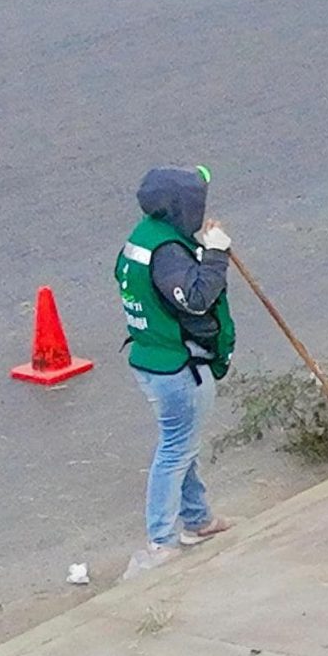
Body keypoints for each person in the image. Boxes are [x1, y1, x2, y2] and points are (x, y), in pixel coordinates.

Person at [115, 165, 236, 571]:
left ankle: (198, 520)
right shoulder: (167, 254)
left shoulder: (146, 237)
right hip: (177, 368)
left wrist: (201, 248)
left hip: (151, 359)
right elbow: (197, 298)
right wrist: (216, 255)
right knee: (175, 450)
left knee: (183, 445)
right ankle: (161, 542)